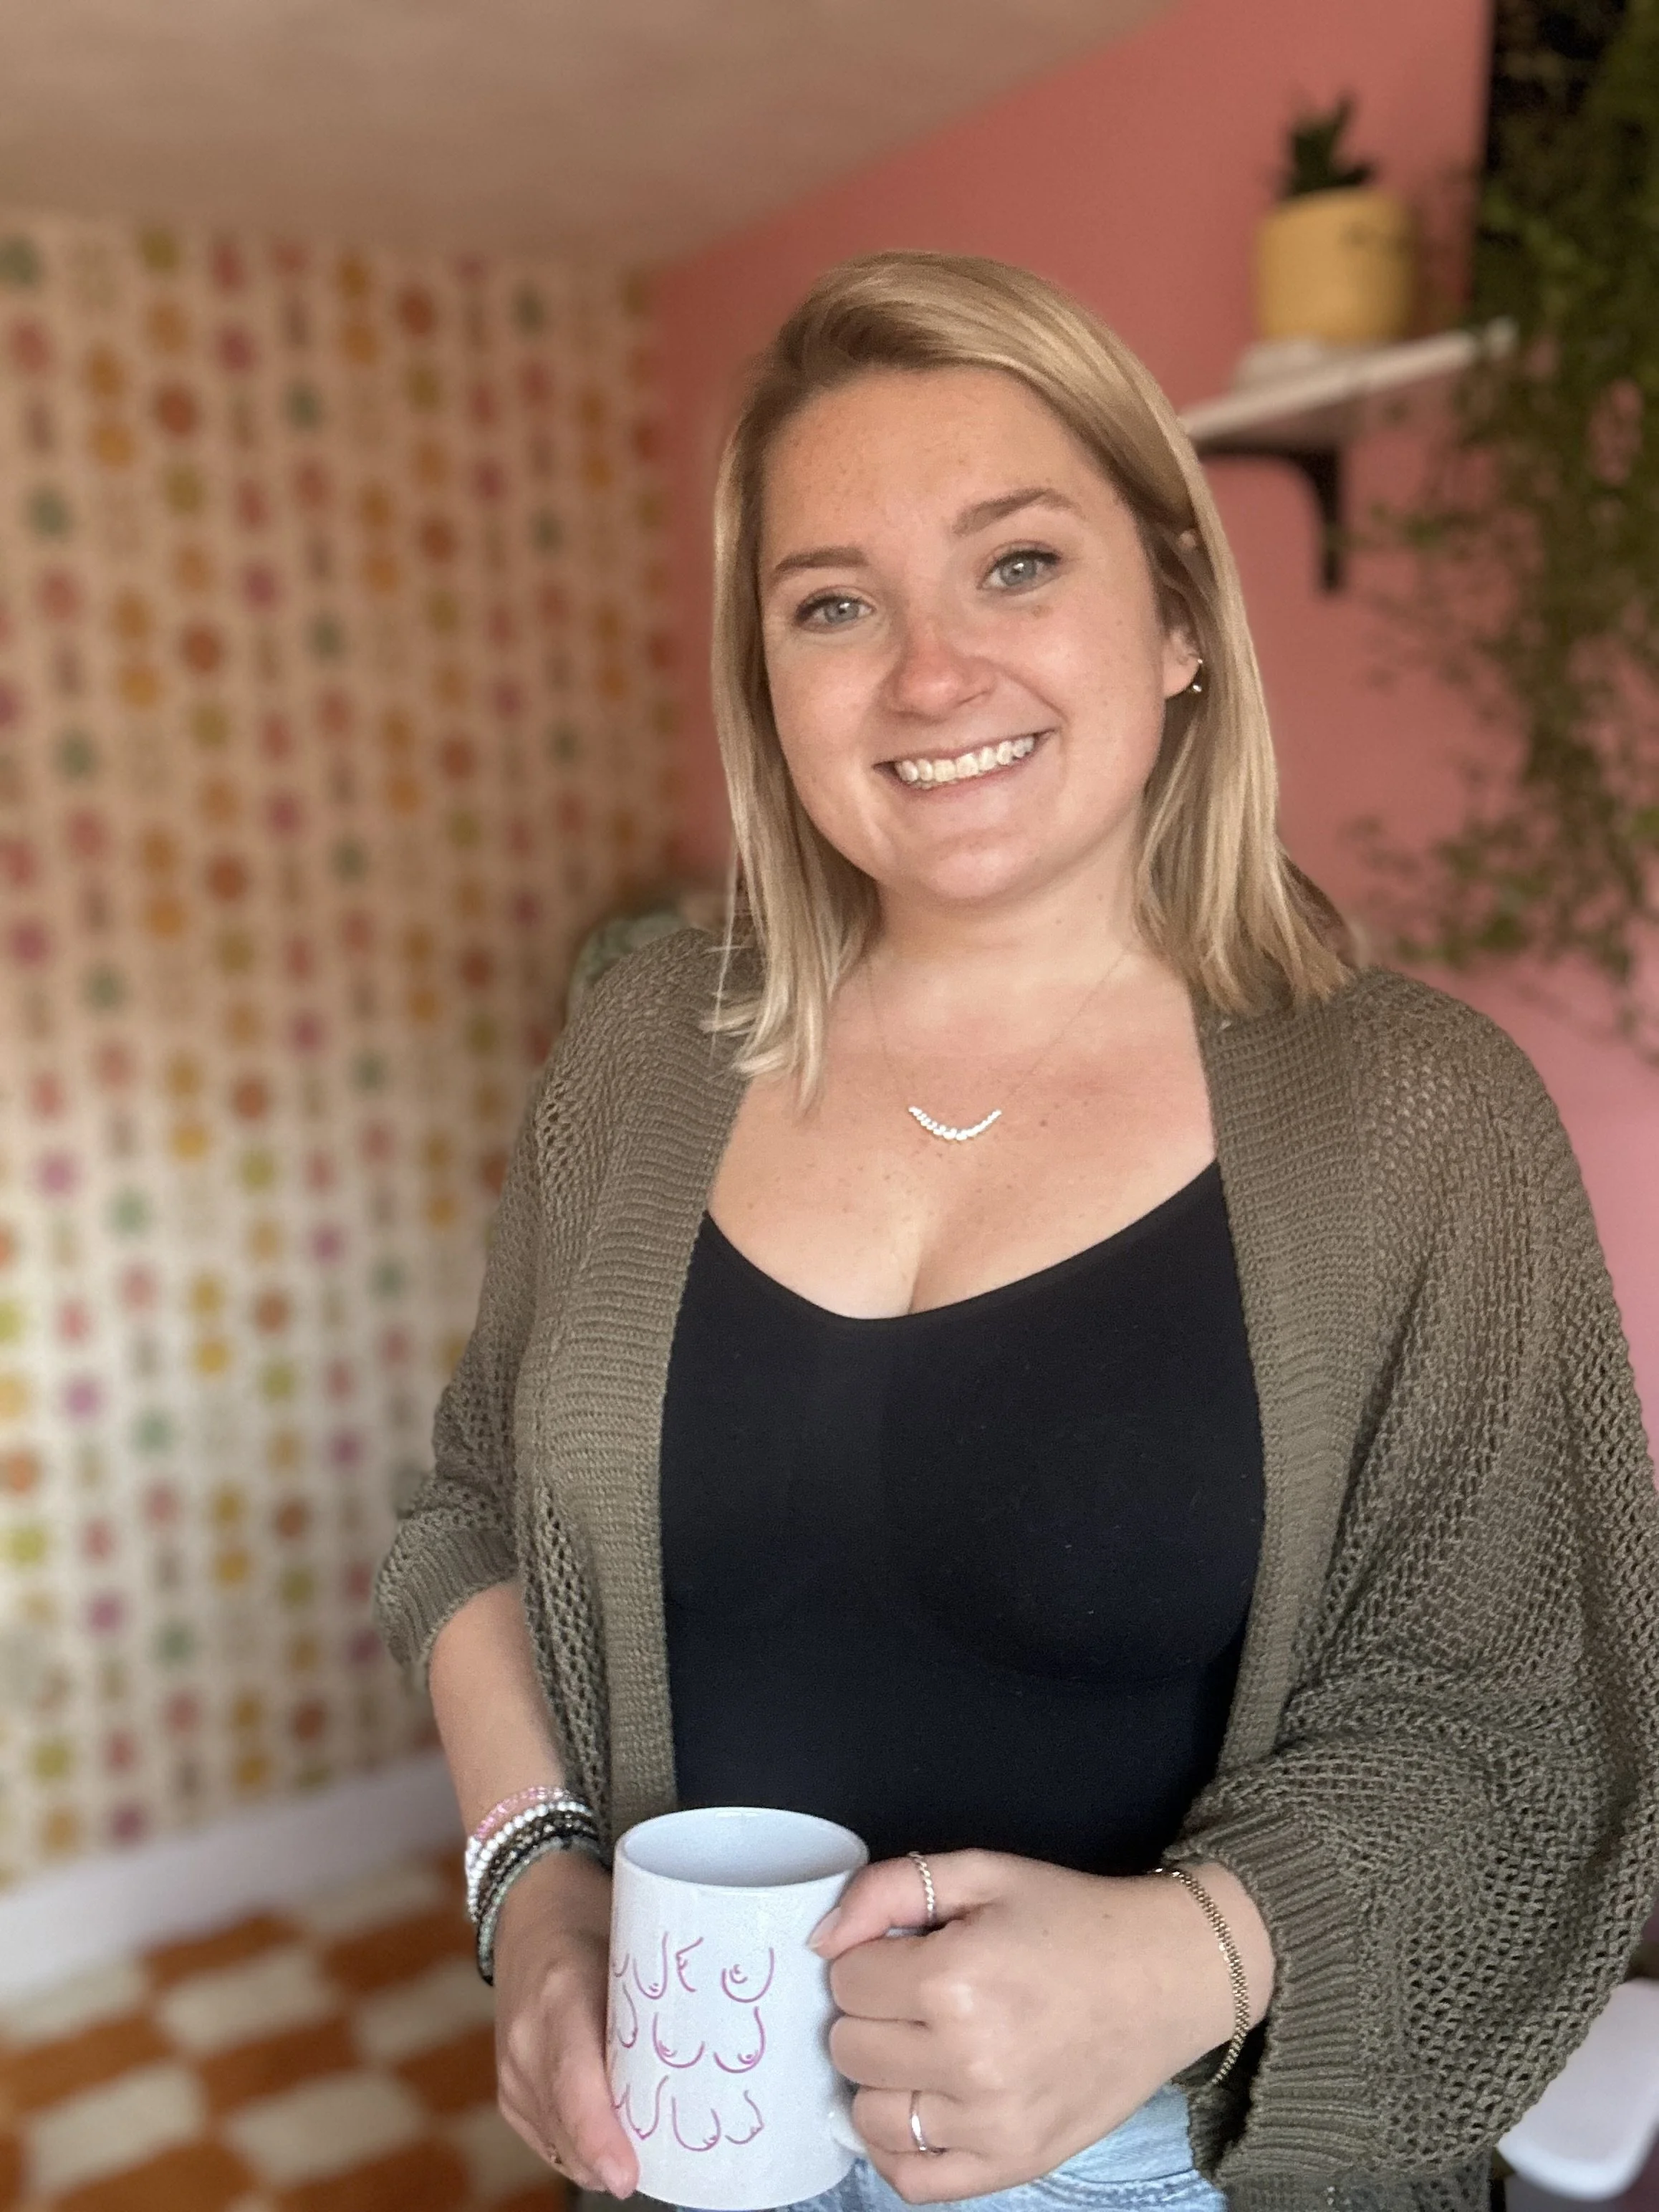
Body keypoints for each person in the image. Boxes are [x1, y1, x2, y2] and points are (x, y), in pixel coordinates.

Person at [373, 251, 1659, 2212]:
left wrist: (1187, 1956)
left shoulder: (1414, 1117)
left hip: (1194, 2159)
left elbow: (1526, 1734)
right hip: (702, 2135)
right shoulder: (643, 1046)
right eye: (831, 605)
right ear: (769, 689)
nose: (927, 675)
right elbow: (470, 1504)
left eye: (1017, 564)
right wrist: (528, 1881)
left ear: (1173, 621)